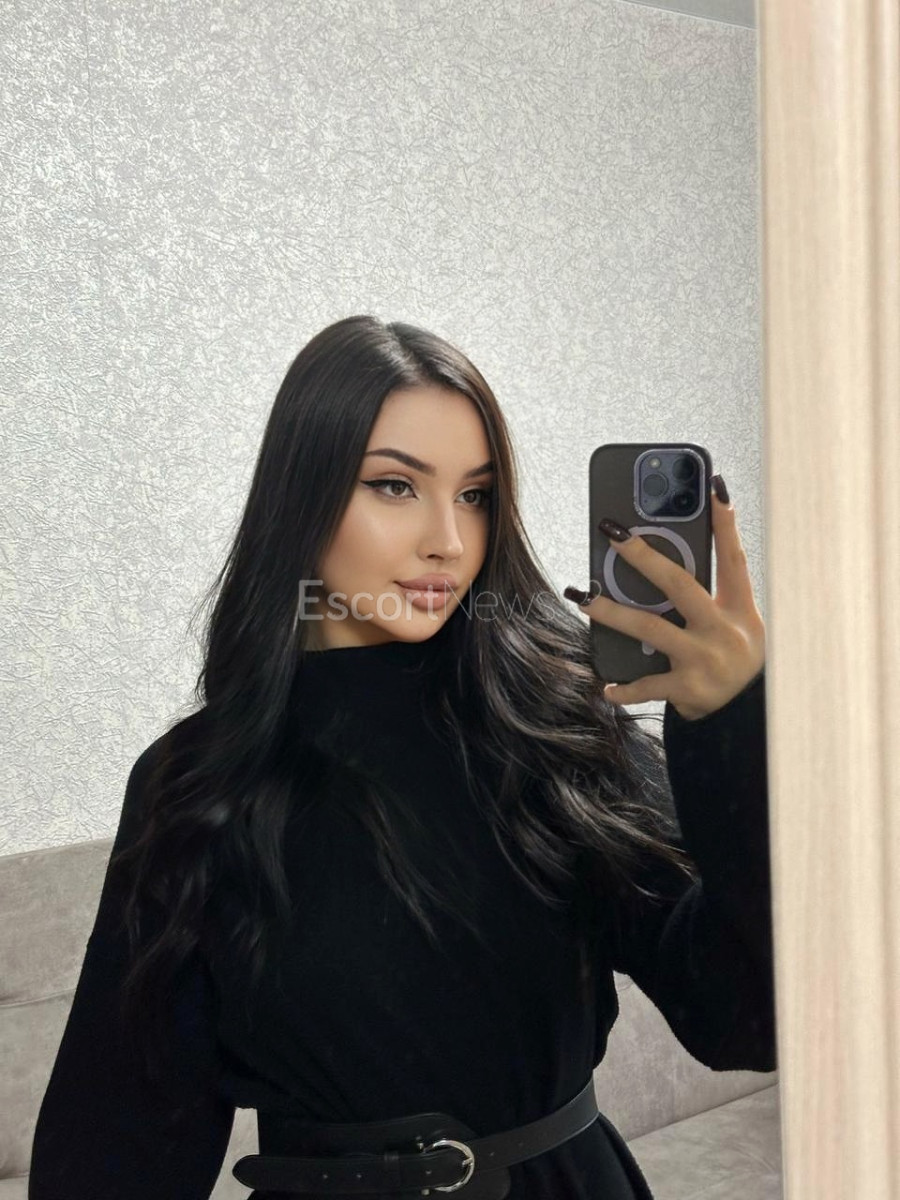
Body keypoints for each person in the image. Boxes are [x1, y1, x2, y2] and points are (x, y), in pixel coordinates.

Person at [28, 314, 774, 1200]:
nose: (448, 541)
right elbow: (118, 1145)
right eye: (394, 486)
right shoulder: (193, 782)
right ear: (301, 496)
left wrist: (729, 726)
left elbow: (746, 1023)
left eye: (476, 495)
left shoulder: (561, 720)